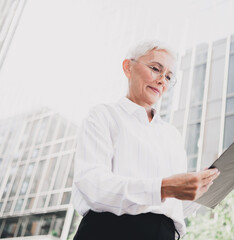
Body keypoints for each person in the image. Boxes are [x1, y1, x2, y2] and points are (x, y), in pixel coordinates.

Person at [72, 40, 220, 240]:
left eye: (168, 76)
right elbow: (93, 185)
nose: (162, 80)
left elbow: (172, 208)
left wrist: (200, 189)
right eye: (155, 69)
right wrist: (163, 187)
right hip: (110, 231)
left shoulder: (172, 135)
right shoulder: (103, 116)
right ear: (128, 67)